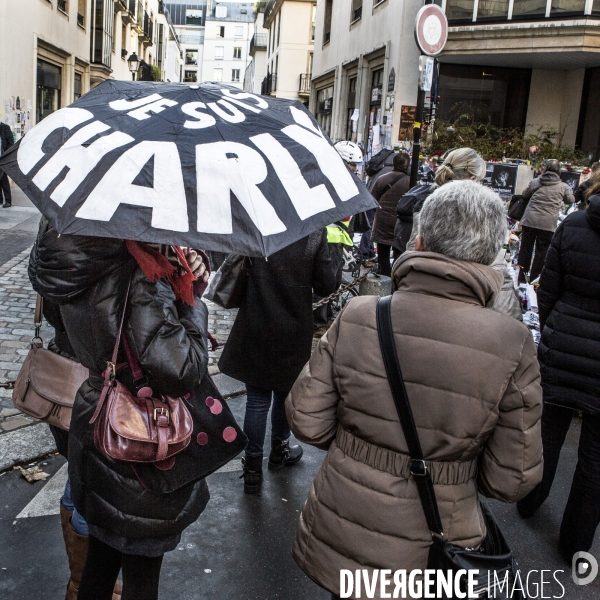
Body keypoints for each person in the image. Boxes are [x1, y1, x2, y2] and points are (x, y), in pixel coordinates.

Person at [286, 180, 543, 599]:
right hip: (437, 539)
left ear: (419, 241)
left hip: (346, 520)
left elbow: (306, 421)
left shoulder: (360, 314)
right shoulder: (513, 343)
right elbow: (510, 479)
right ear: (492, 255)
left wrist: (363, 447)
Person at [31, 229, 211, 600]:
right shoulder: (144, 272)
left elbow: (63, 321)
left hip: (96, 418)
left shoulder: (72, 251)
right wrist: (191, 300)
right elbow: (182, 370)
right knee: (141, 575)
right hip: (141, 442)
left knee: (99, 565)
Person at [218, 231, 337, 494]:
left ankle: (251, 469)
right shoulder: (313, 234)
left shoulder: (261, 226)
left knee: (257, 399)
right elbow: (327, 284)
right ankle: (279, 452)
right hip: (292, 325)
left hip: (257, 319)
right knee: (285, 394)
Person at [517, 193, 600, 564]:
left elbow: (547, 289)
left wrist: (551, 330)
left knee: (547, 433)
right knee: (595, 460)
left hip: (564, 343)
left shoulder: (574, 224)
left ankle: (530, 500)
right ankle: (577, 541)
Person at [394, 147, 486, 253]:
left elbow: (413, 249)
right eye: (480, 181)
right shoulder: (475, 211)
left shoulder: (428, 200)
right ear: (472, 179)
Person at [517, 159, 574, 283]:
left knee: (525, 250)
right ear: (559, 171)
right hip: (548, 224)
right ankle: (534, 281)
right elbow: (571, 200)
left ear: (545, 169)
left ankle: (522, 278)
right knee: (541, 253)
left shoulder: (536, 182)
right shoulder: (563, 186)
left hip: (530, 221)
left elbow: (524, 194)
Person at [370, 152, 411, 277]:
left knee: (383, 255)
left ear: (393, 163)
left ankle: (384, 279)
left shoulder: (382, 179)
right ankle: (396, 280)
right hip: (401, 224)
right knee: (400, 254)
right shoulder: (411, 182)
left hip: (383, 222)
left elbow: (373, 200)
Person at [0, 121, 14, 208]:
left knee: (3, 178)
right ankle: (0, 199)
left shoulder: (5, 128)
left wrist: (5, 154)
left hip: (2, 157)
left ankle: (8, 200)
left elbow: (11, 143)